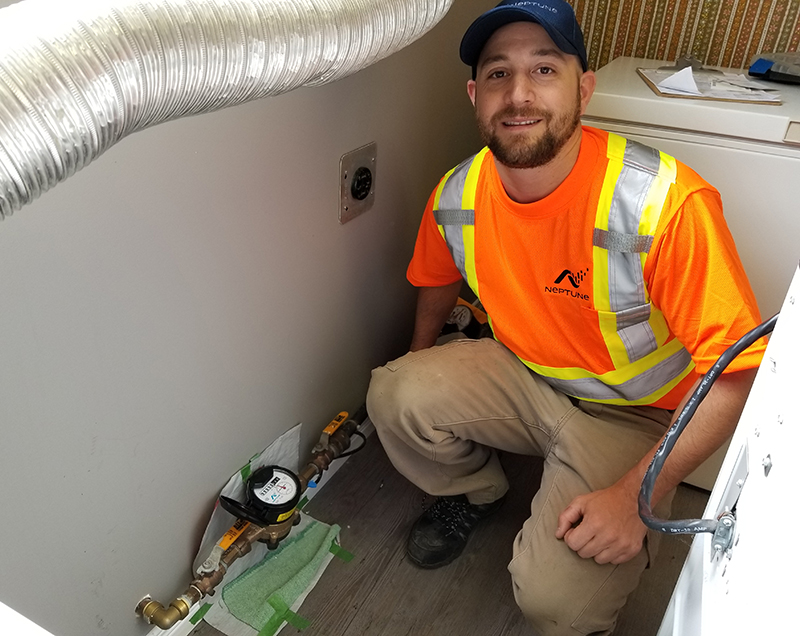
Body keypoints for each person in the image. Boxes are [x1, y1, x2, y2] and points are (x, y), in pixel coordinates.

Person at [365, 0, 766, 634]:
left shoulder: (662, 202)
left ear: (583, 89)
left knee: (556, 605)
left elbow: (739, 376)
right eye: (498, 73)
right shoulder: (458, 194)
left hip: (636, 414)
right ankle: (478, 489)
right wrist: (420, 358)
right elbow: (436, 281)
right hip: (526, 377)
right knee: (394, 392)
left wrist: (636, 497)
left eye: (545, 70)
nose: (519, 94)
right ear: (475, 96)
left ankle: (611, 501)